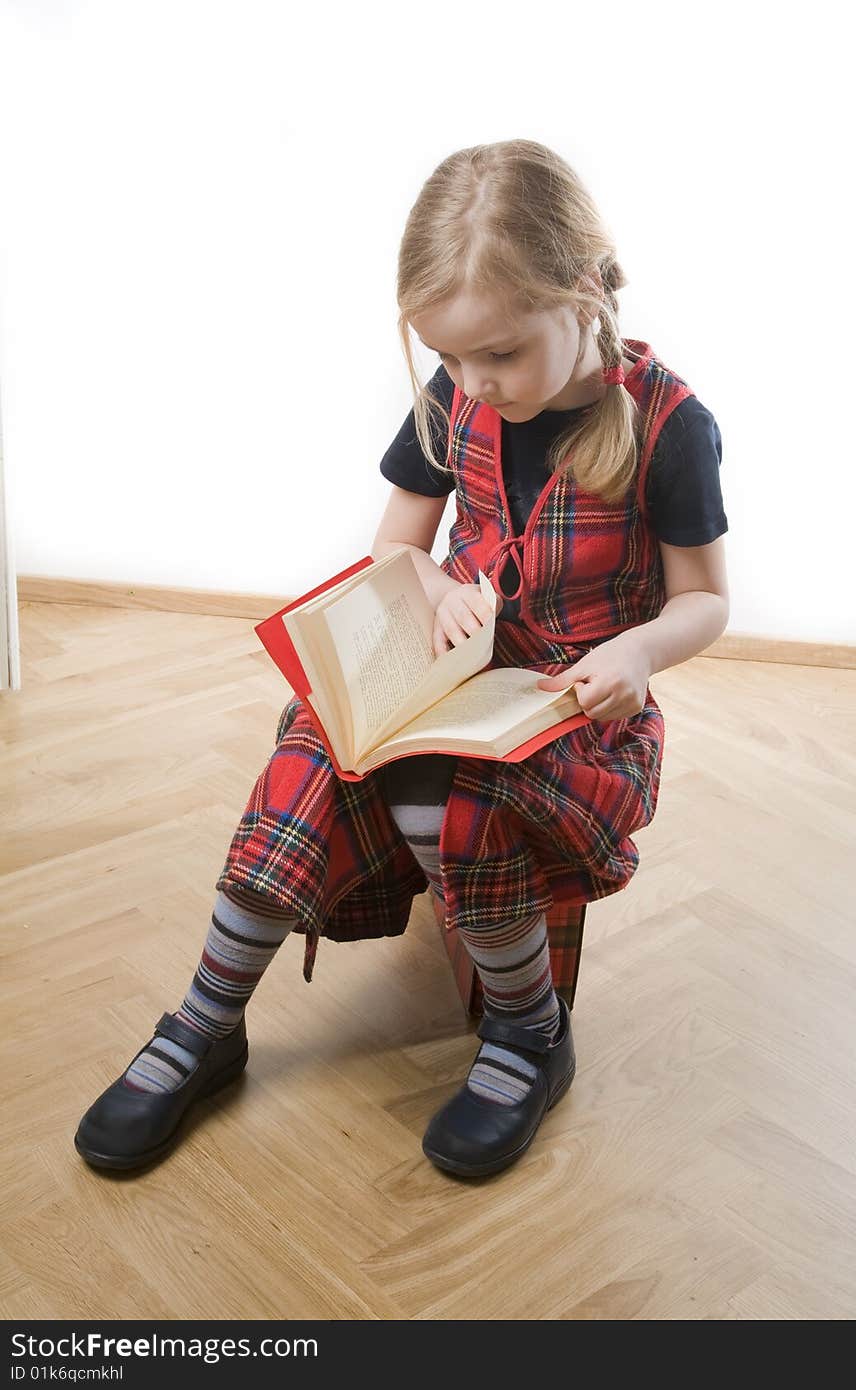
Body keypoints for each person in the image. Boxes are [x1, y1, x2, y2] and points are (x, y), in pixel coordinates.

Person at [74, 138, 730, 1180]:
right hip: (453, 673)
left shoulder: (669, 425)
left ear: (585, 292)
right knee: (306, 757)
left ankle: (526, 1034)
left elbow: (705, 600)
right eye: (450, 357)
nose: (473, 382)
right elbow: (396, 545)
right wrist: (431, 584)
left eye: (501, 355)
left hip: (579, 710)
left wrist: (637, 653)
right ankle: (209, 1020)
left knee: (464, 801)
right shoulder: (458, 389)